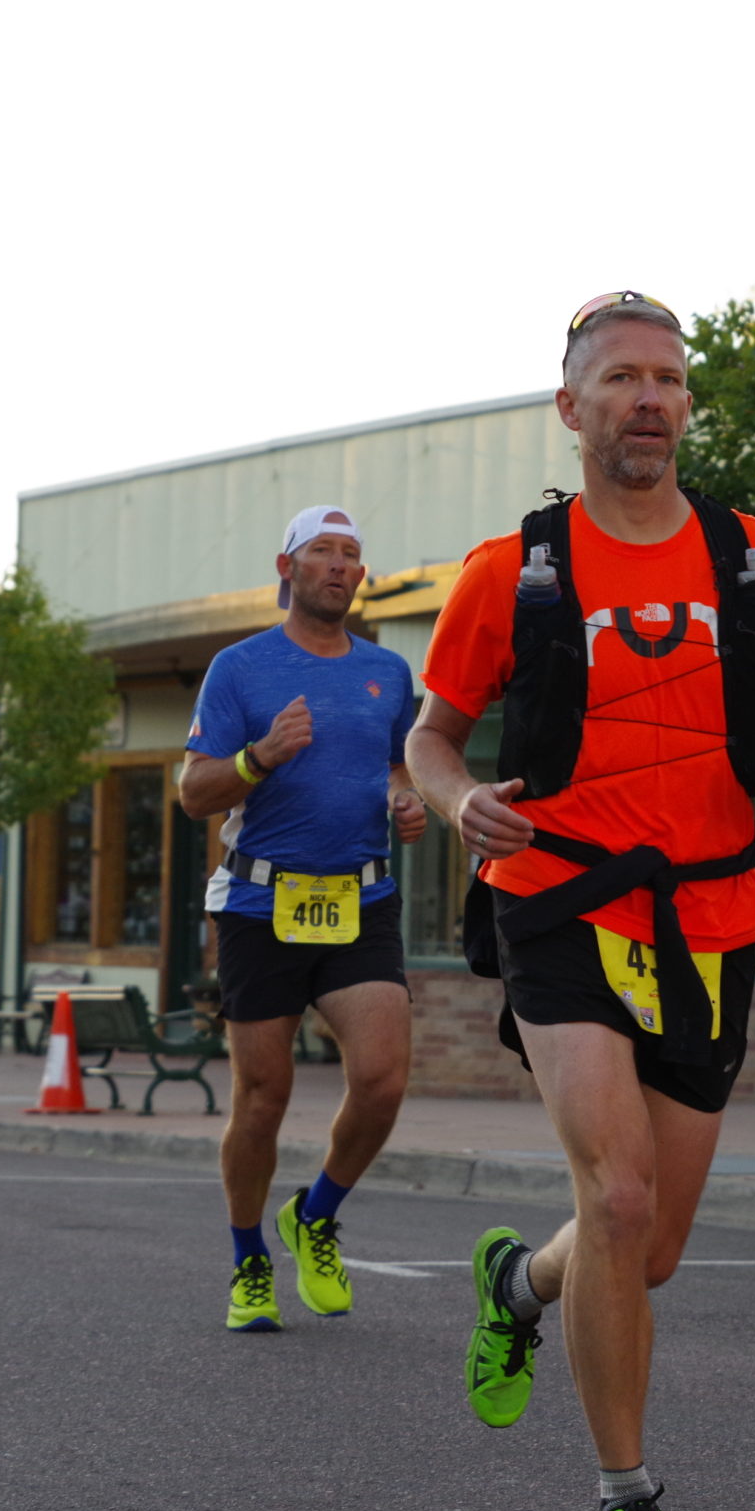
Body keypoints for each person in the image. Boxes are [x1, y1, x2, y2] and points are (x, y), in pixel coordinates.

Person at [406, 292, 755, 1511]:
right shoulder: (511, 570)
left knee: (644, 1251)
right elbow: (430, 738)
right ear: (570, 406)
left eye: (667, 378)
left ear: (686, 405)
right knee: (621, 1193)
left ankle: (519, 1284)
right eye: (621, 378)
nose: (649, 398)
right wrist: (456, 803)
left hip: (711, 911)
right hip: (559, 894)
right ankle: (627, 1504)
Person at [179, 503, 426, 1333]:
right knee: (263, 1096)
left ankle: (315, 1213)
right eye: (322, 550)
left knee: (383, 1079)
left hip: (361, 898)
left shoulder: (388, 672)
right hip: (261, 902)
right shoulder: (240, 668)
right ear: (286, 568)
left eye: (351, 553)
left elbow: (397, 765)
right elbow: (193, 791)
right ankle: (250, 1258)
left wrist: (404, 800)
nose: (340, 564)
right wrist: (259, 757)